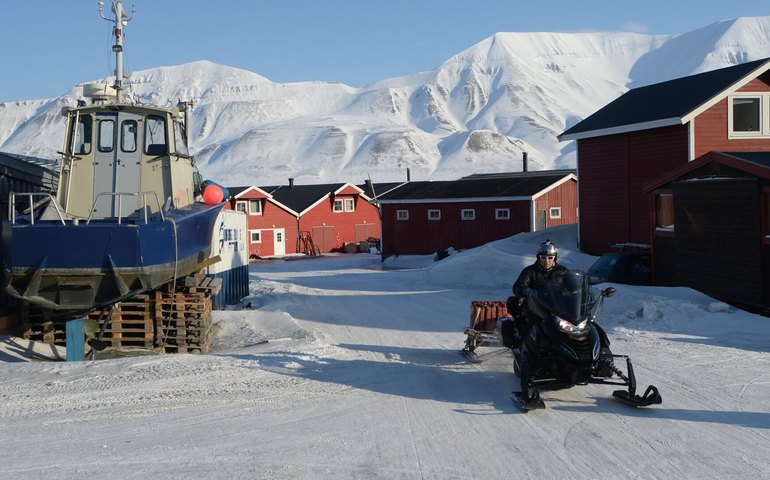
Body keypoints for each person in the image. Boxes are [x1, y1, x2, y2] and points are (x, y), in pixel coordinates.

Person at [507, 240, 568, 345]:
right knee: (532, 325)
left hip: (557, 306)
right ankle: (525, 349)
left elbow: (572, 285)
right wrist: (526, 290)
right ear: (538, 257)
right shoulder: (530, 271)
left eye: (550, 258)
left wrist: (578, 292)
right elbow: (518, 287)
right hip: (535, 306)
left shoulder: (562, 271)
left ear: (555, 258)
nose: (546, 261)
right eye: (543, 257)